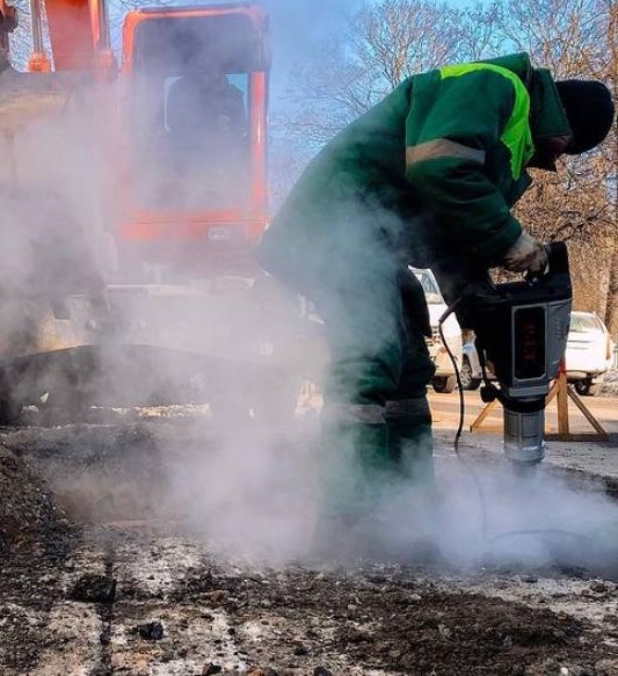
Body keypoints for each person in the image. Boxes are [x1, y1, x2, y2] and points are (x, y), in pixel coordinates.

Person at [256, 53, 614, 527]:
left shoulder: (505, 143)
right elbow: (438, 168)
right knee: (372, 348)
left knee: (410, 362)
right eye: (567, 148)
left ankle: (406, 502)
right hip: (333, 224)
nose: (557, 158)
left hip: (375, 242)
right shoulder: (496, 86)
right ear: (564, 124)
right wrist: (515, 243)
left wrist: (478, 310)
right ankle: (350, 511)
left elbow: (449, 238)